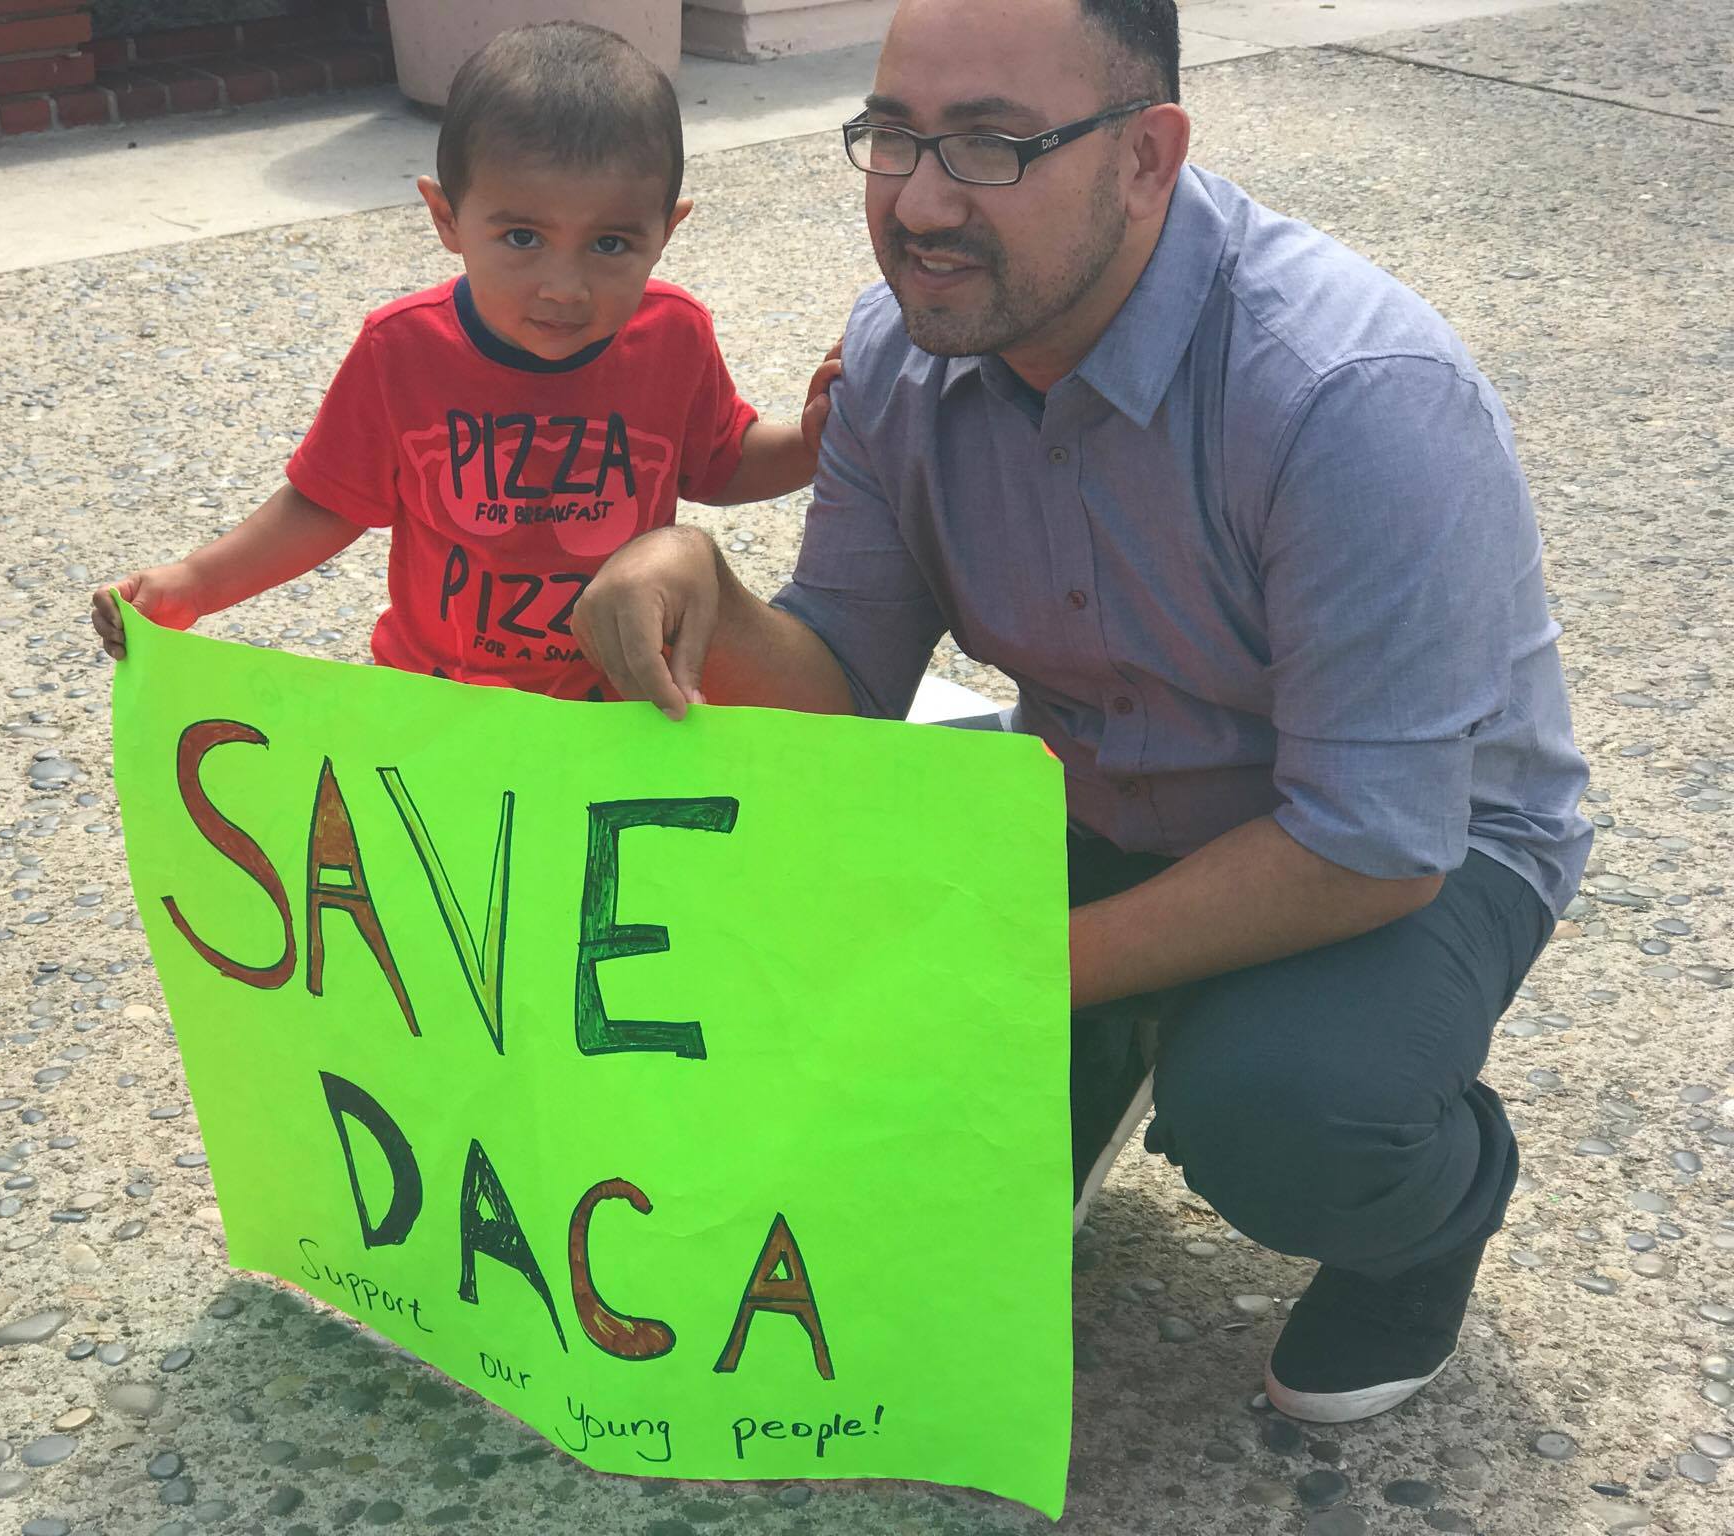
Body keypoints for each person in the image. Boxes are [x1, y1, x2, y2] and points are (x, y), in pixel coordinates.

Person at [570, 0, 1590, 1425]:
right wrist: (706, 585)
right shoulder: (900, 356)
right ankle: (1103, 1034)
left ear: (1145, 157)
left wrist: (1010, 976)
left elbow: (1371, 841)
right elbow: (843, 686)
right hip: (1098, 794)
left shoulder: (1351, 397)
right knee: (728, 983)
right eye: (893, 136)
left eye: (991, 144)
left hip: (1413, 847)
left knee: (1285, 1115)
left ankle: (1431, 1213)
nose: (920, 202)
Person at [91, 21, 837, 700]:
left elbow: (720, 462)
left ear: (665, 232)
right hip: (442, 700)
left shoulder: (674, 336)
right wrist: (195, 584)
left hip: (617, 701)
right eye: (522, 238)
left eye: (610, 243)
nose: (564, 287)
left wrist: (810, 444)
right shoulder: (402, 350)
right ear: (446, 218)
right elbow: (328, 501)